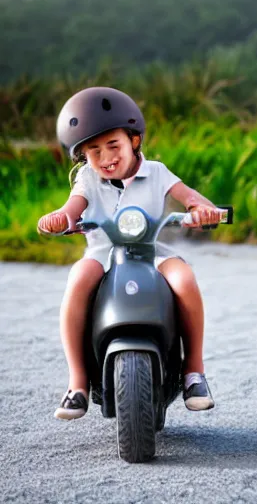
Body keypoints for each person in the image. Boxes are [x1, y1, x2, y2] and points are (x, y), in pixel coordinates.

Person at [38, 87, 222, 420]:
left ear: (133, 141)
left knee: (184, 278)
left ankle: (194, 371)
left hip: (150, 249)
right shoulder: (87, 178)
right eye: (94, 151)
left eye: (113, 145)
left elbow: (190, 196)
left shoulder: (158, 172)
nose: (106, 157)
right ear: (83, 157)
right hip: (103, 251)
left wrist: (203, 210)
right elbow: (73, 206)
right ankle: (77, 381)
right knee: (79, 278)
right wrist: (61, 218)